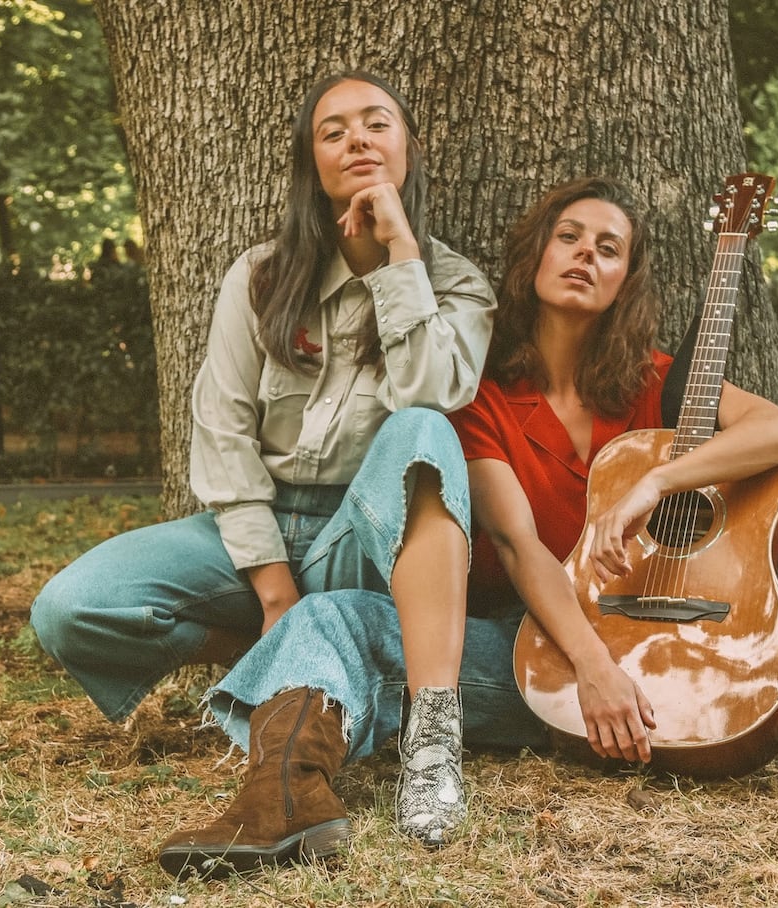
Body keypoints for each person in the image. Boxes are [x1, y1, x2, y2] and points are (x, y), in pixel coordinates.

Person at [164, 175, 778, 879]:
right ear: (534, 258)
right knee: (332, 617)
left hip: (715, 650)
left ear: (625, 282)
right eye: (568, 237)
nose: (584, 255)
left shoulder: (658, 381)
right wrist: (597, 670)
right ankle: (281, 799)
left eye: (608, 248)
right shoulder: (481, 399)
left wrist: (656, 483)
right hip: (541, 659)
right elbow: (518, 545)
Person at [29, 70, 496, 859]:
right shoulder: (260, 277)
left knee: (421, 428)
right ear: (310, 161)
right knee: (70, 608)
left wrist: (399, 257)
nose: (357, 140)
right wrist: (273, 586)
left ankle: (431, 737)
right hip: (260, 525)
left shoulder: (455, 286)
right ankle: (272, 654)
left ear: (408, 149)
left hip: (367, 533)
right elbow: (222, 431)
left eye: (377, 124)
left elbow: (431, 391)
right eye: (334, 129)